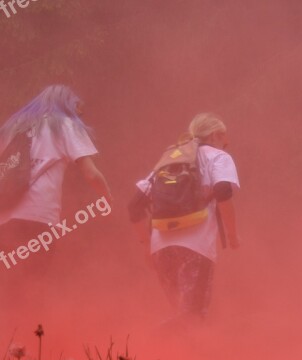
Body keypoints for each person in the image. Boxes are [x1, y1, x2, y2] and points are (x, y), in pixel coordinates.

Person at [0, 85, 112, 321]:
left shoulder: (14, 126)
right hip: (38, 218)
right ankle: (25, 350)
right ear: (68, 104)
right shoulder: (64, 124)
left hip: (5, 219)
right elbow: (91, 174)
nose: (79, 115)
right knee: (32, 287)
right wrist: (107, 197)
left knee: (8, 289)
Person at [128, 113, 240, 327]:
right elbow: (223, 191)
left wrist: (146, 246)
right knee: (192, 317)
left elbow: (134, 206)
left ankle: (165, 354)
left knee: (183, 314)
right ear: (215, 135)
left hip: (161, 250)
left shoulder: (170, 161)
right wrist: (233, 236)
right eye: (225, 140)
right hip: (196, 249)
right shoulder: (218, 157)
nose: (226, 145)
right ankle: (149, 341)